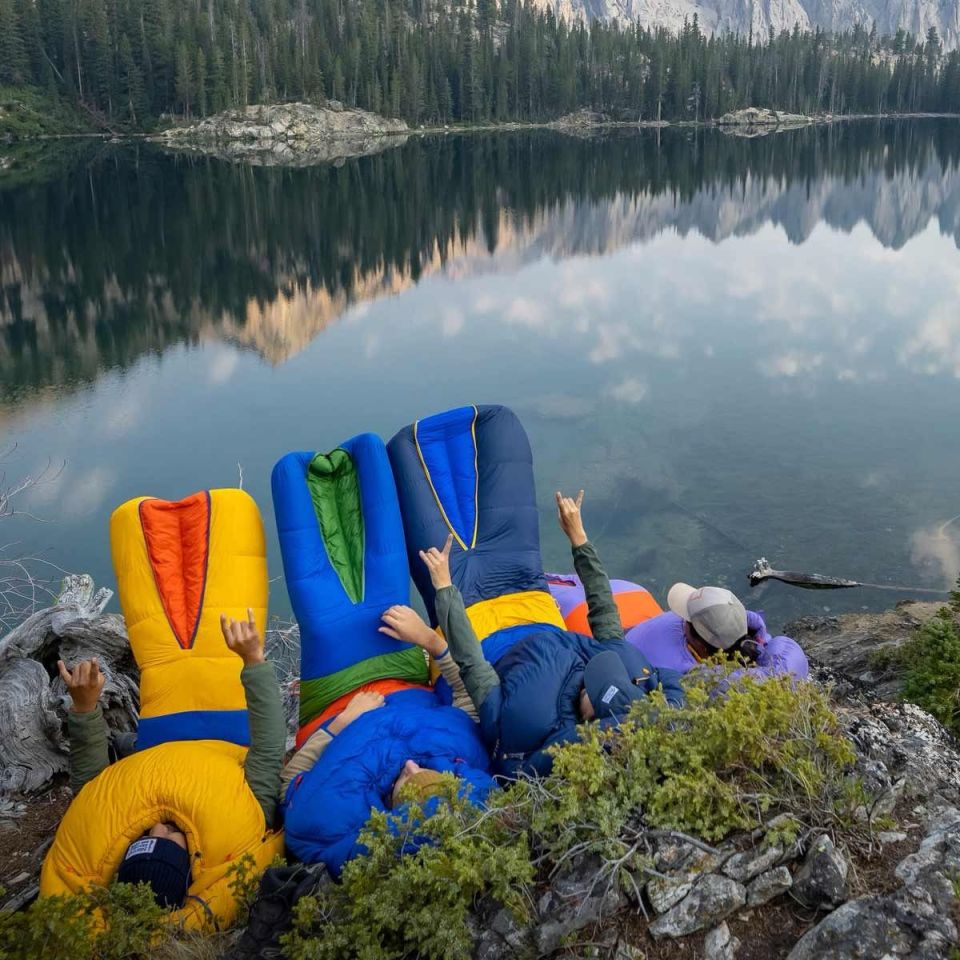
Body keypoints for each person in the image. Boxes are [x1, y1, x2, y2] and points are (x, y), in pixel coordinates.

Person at [419, 490, 685, 778]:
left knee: (428, 518)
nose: (587, 680)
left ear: (589, 716)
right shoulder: (631, 673)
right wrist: (579, 540)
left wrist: (445, 590)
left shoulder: (521, 726)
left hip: (487, 643)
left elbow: (474, 667)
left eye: (589, 688)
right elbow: (605, 613)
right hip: (538, 617)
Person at [56, 610, 285, 909]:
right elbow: (269, 748)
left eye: (143, 836)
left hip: (154, 740)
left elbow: (93, 790)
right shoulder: (245, 821)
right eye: (172, 836)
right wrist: (254, 661)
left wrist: (84, 707)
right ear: (191, 865)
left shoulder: (110, 830)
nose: (158, 826)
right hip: (226, 731)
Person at [626, 582, 809, 681]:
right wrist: (760, 650)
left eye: (687, 620)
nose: (682, 621)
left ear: (699, 644)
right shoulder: (682, 672)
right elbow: (784, 667)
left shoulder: (690, 650)